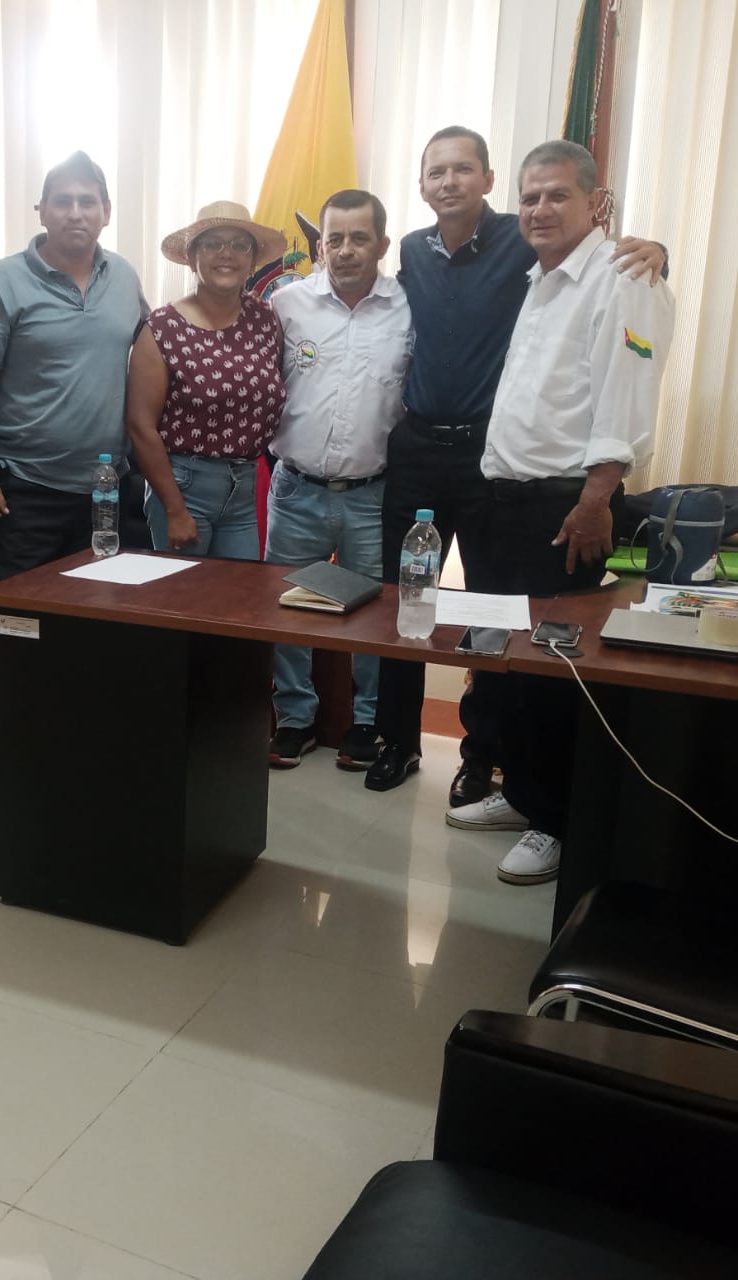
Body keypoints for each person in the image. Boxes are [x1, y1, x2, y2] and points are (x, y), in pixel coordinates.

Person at [365, 126, 666, 799]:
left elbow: (625, 341)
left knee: (497, 620)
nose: (449, 182)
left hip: (497, 465)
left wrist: (658, 253)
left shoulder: (528, 242)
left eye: (463, 169)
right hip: (427, 453)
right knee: (406, 602)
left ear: (488, 179)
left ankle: (485, 763)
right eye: (436, 171)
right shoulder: (417, 251)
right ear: (421, 185)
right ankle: (400, 742)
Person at [445, 139, 673, 885]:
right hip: (503, 504)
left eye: (557, 195)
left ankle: (556, 820)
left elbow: (626, 398)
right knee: (505, 661)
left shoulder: (625, 277)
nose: (540, 209)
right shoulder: (540, 279)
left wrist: (597, 498)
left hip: (565, 507)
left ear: (595, 203)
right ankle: (523, 794)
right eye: (530, 197)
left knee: (552, 670)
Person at [0, 151, 148, 805]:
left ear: (106, 211)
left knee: (104, 630)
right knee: (16, 629)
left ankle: (83, 746)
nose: (75, 213)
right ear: (41, 210)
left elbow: (148, 363)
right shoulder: (7, 281)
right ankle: (2, 755)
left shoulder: (125, 278)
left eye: (87, 201)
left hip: (108, 497)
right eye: (62, 201)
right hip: (27, 492)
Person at [264, 189, 411, 771]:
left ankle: (367, 719)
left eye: (359, 238)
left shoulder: (407, 307)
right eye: (335, 239)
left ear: (382, 244)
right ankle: (294, 716)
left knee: (373, 613)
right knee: (288, 606)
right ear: (319, 246)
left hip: (373, 494)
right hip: (296, 488)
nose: (346, 250)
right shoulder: (286, 303)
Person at [125, 200, 287, 558]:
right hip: (182, 489)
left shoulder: (265, 319)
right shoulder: (162, 328)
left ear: (253, 259)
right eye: (213, 243)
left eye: (240, 244)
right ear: (192, 256)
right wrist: (174, 509)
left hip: (245, 490)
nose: (226, 254)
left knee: (237, 592)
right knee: (184, 591)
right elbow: (140, 426)